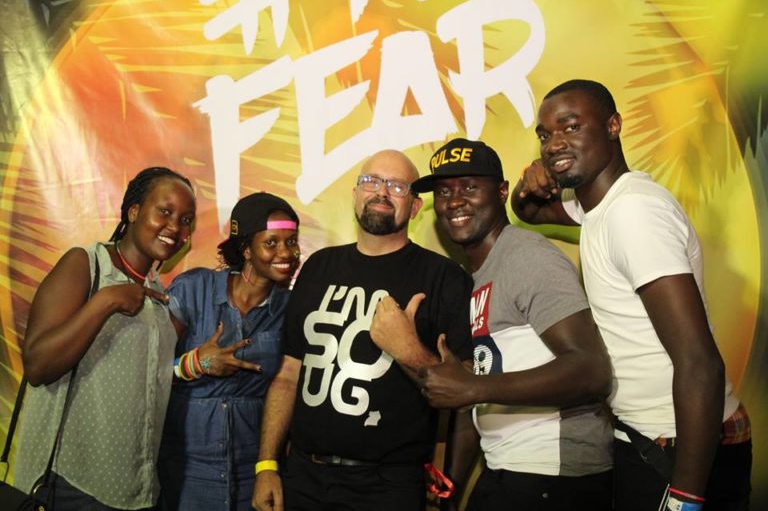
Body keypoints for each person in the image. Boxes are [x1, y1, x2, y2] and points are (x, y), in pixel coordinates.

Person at [511, 79, 752, 511]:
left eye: (571, 127)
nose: (554, 143)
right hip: (650, 437)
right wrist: (530, 180)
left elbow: (700, 362)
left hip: (681, 445)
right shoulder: (597, 206)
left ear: (613, 126)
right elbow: (527, 209)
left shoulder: (633, 212)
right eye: (545, 135)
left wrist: (686, 498)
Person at [396, 138, 614, 510]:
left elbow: (591, 370)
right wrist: (451, 488)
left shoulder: (526, 257)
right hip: (509, 469)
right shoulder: (483, 273)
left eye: (469, 187)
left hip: (552, 475)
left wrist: (473, 387)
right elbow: (477, 393)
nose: (454, 201)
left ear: (501, 192)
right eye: (444, 192)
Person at [251, 149, 474, 511]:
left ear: (415, 207)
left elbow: (464, 391)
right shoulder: (318, 266)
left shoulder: (444, 278)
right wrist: (266, 465)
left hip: (387, 487)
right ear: (355, 194)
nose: (381, 192)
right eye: (371, 181)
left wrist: (408, 350)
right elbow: (289, 374)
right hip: (303, 476)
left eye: (397, 186)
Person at [14, 167, 196, 510]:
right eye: (165, 211)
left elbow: (145, 382)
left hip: (133, 489)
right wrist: (105, 301)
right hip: (69, 483)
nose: (175, 227)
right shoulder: (86, 264)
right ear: (134, 211)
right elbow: (37, 365)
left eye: (186, 220)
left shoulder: (157, 295)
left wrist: (198, 364)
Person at [158, 192, 301, 510]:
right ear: (246, 249)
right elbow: (146, 373)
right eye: (271, 242)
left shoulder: (290, 309)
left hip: (253, 473)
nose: (286, 253)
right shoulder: (194, 289)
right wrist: (195, 364)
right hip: (187, 472)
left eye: (292, 242)